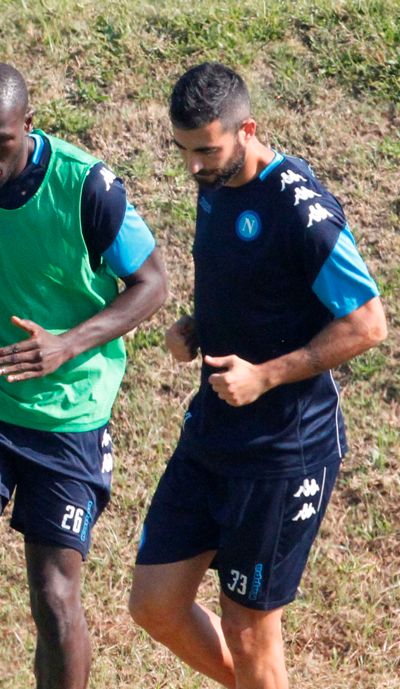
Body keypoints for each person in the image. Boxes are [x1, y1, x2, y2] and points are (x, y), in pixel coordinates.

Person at [0, 61, 168, 689]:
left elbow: (153, 284)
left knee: (53, 593)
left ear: (29, 124)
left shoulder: (86, 187)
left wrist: (67, 345)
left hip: (67, 413)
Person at [128, 62, 388, 689]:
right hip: (213, 435)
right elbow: (258, 289)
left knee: (248, 630)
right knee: (154, 603)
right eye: (184, 150)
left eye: (206, 150)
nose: (194, 166)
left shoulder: (301, 211)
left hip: (282, 452)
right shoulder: (215, 183)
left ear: (247, 130)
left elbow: (367, 324)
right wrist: (197, 327)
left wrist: (266, 376)